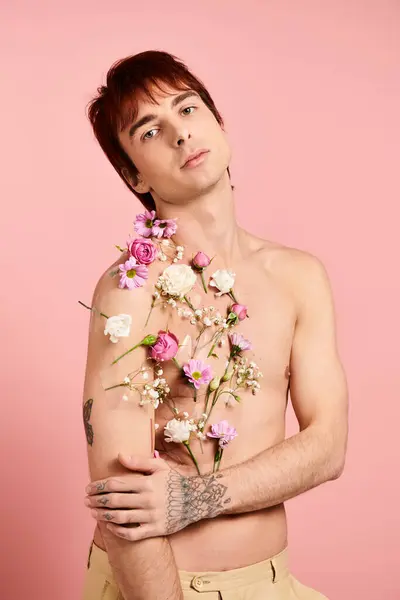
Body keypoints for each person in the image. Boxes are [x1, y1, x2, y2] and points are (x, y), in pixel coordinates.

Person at [81, 50, 348, 600]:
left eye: (189, 108)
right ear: (132, 172)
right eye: (151, 130)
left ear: (218, 123)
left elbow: (328, 446)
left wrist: (197, 498)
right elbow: (125, 508)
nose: (181, 135)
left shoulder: (298, 275)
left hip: (272, 583)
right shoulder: (130, 289)